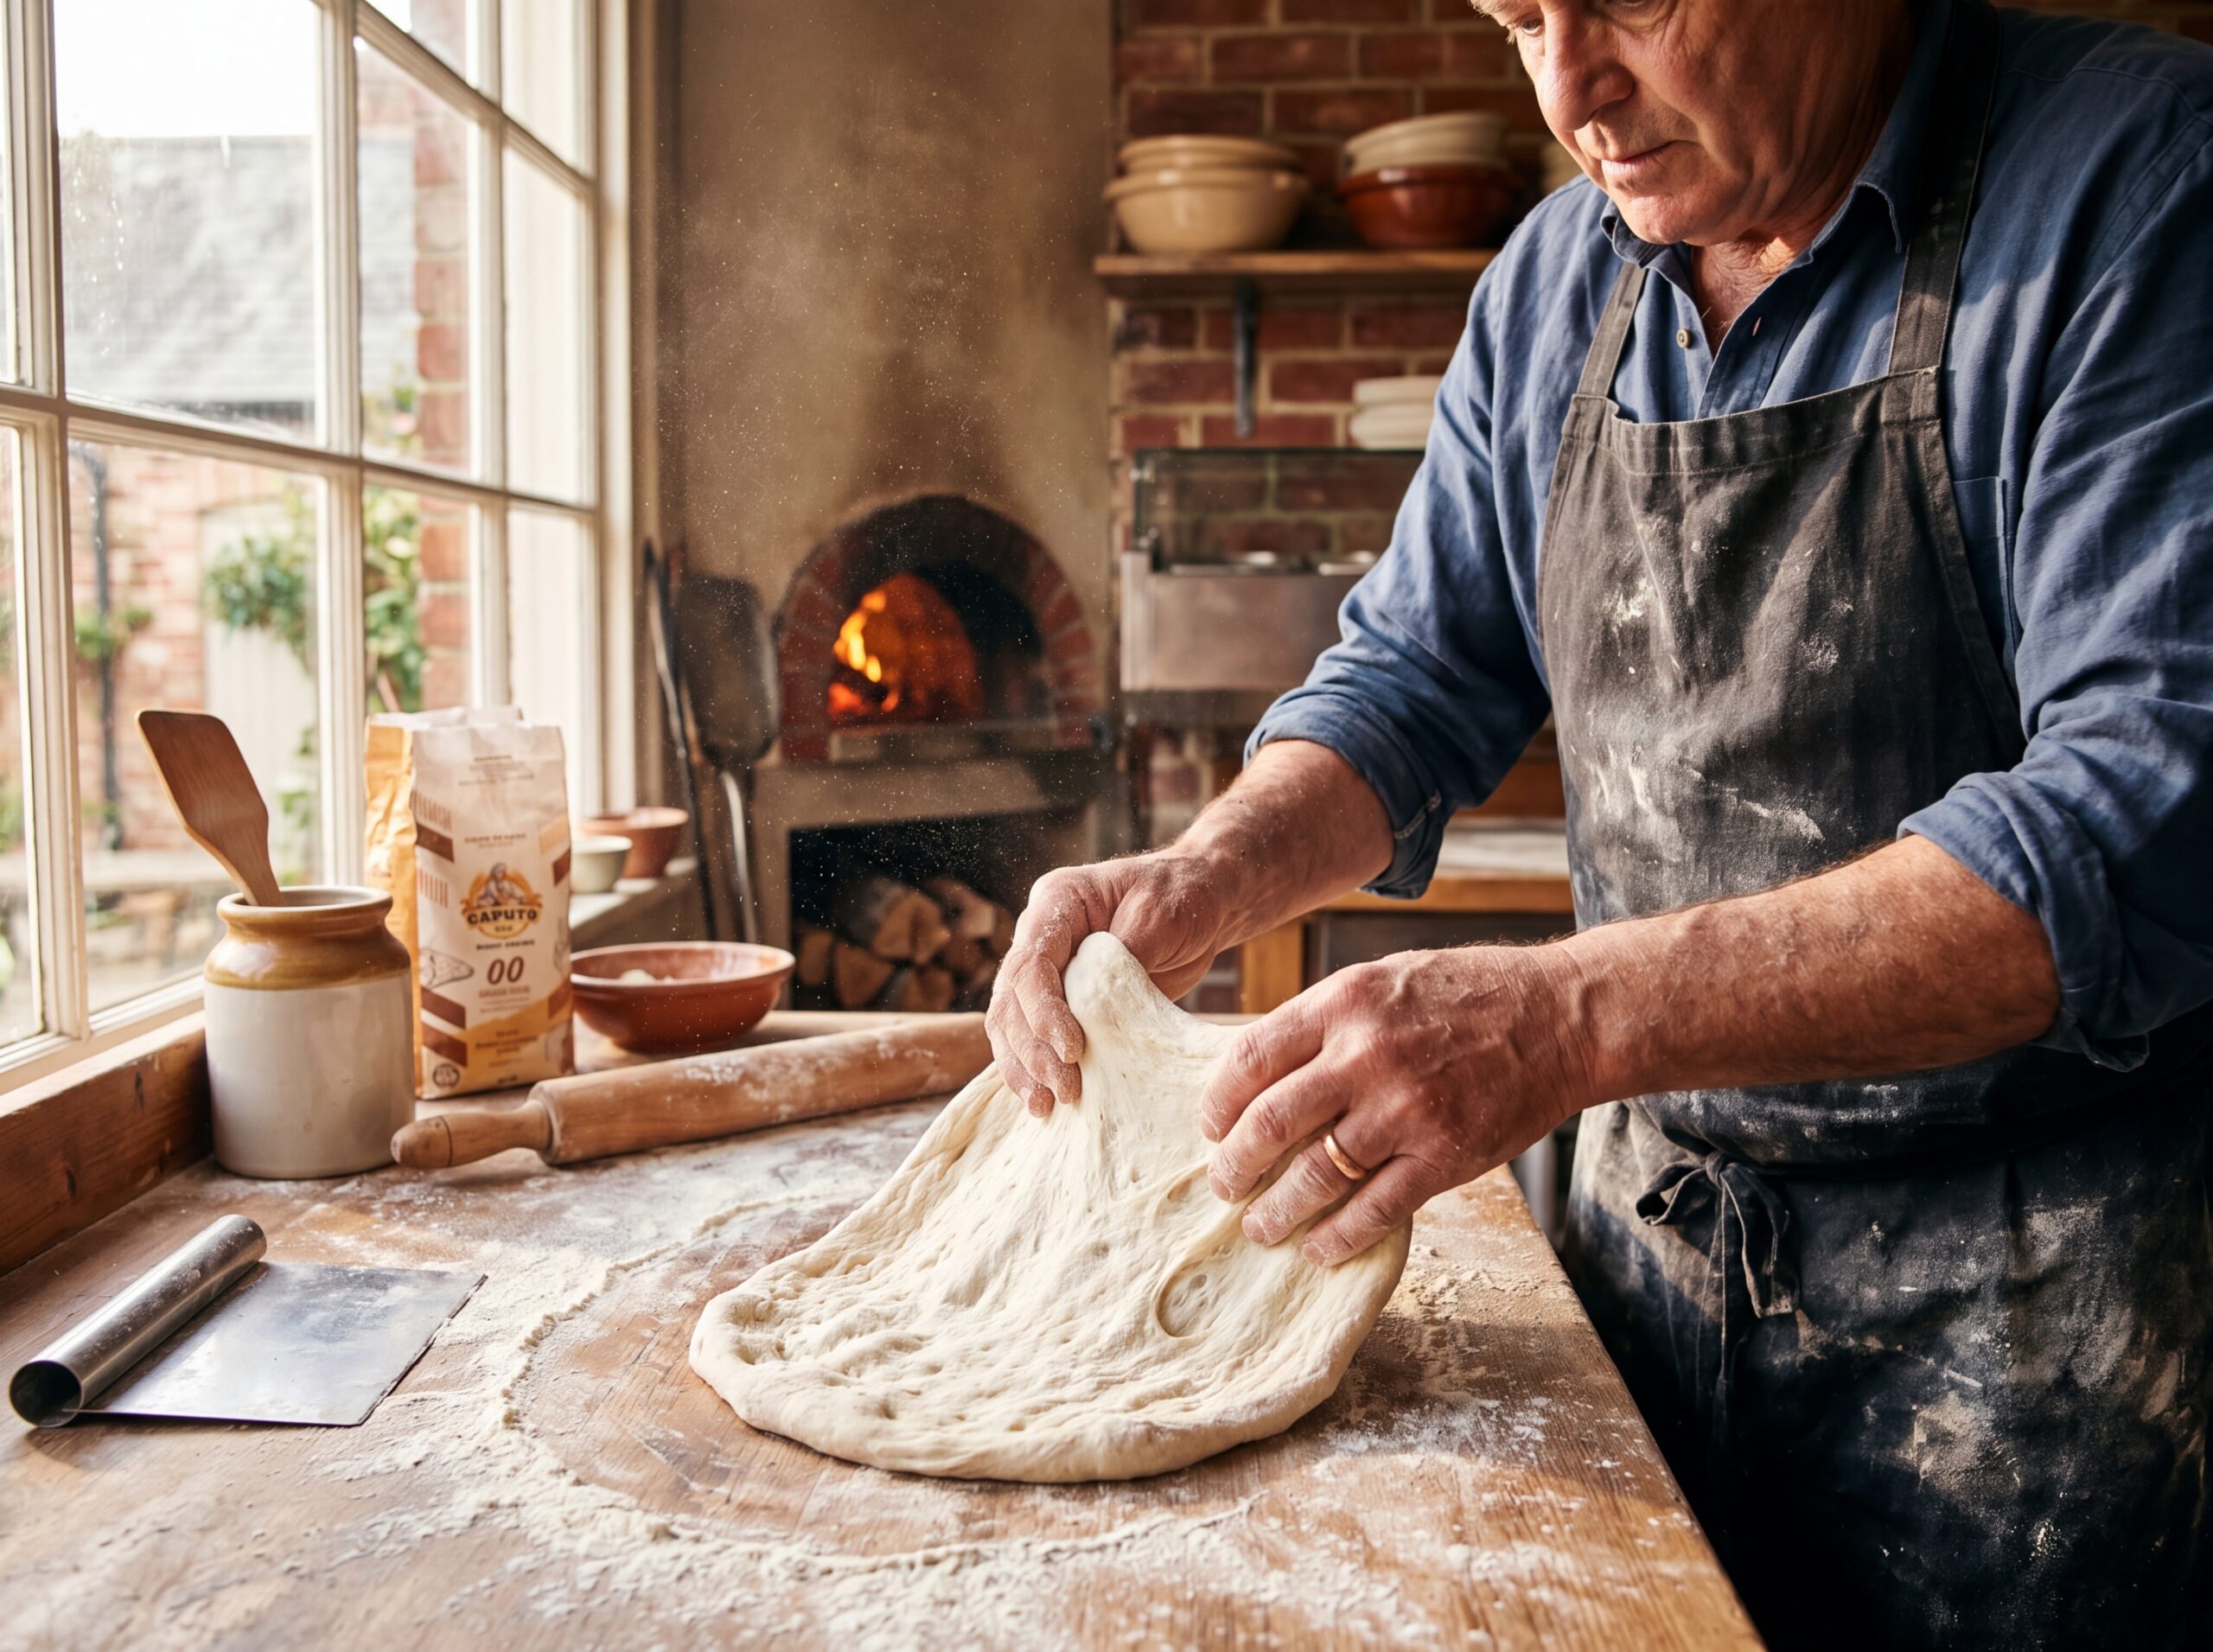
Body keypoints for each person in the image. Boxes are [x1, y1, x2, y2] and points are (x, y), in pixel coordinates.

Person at [989, 1, 2213, 1644]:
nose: (1572, 94)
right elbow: (1416, 674)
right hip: (1647, 1269)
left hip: (2037, 1334)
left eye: (1630, 2)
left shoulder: (2142, 185)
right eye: (1519, 20)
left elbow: (2148, 808)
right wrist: (1206, 873)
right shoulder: (1560, 278)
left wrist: (1570, 1015)